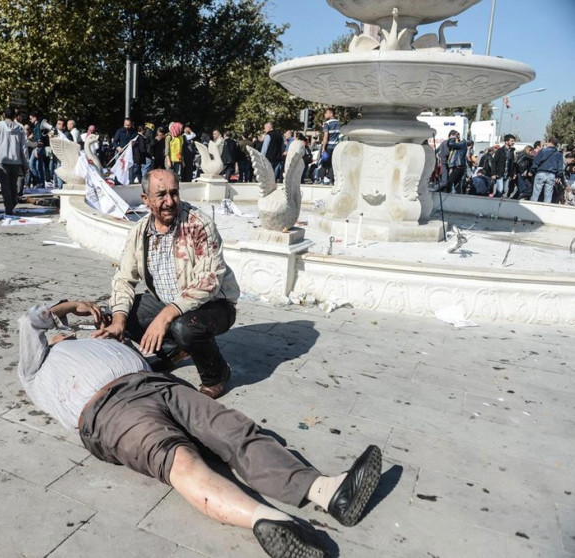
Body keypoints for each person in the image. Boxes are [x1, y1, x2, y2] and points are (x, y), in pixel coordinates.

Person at [19, 298, 383, 558]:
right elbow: (30, 321)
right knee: (179, 459)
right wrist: (72, 306)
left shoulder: (94, 342)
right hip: (109, 409)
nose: (67, 334)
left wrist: (117, 337)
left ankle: (329, 492)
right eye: (60, 332)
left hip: (158, 384)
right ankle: (272, 522)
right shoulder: (35, 365)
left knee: (232, 429)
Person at [94, 169, 239, 398]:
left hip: (214, 305)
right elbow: (124, 278)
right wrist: (119, 320)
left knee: (185, 327)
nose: (169, 202)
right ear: (146, 199)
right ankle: (173, 350)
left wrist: (165, 316)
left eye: (174, 193)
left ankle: (217, 374)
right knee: (115, 315)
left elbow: (209, 281)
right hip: (167, 302)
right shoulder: (139, 232)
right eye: (161, 195)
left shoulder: (199, 225)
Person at [0, 107, 30, 215]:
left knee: (5, 185)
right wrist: (26, 162)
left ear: (4, 115)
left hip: (1, 160)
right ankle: (13, 201)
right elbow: (24, 147)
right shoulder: (20, 128)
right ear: (14, 116)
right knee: (13, 184)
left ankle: (8, 206)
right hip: (15, 160)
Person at [530, 138, 565, 204]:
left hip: (541, 173)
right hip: (551, 175)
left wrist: (532, 171)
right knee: (548, 195)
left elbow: (536, 162)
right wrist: (559, 176)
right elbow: (560, 167)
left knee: (536, 193)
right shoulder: (559, 154)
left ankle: (532, 206)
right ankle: (546, 208)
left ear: (550, 142)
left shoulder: (542, 151)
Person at [320, 109, 340, 184]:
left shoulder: (327, 123)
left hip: (328, 146)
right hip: (336, 147)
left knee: (324, 163)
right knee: (332, 163)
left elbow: (326, 136)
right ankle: (331, 179)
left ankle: (321, 178)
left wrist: (323, 147)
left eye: (326, 113)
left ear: (331, 114)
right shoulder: (338, 123)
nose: (325, 114)